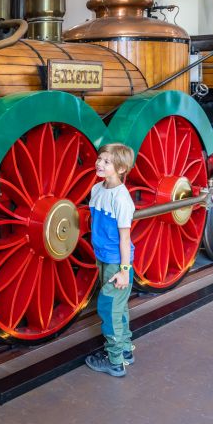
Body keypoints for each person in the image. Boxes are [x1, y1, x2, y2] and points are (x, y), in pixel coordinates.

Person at [85, 142, 136, 378]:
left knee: (109, 309)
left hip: (117, 262)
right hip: (102, 256)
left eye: (107, 162)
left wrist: (125, 270)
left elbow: (125, 239)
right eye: (99, 158)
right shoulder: (97, 190)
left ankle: (114, 361)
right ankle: (125, 350)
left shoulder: (122, 199)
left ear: (121, 169)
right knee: (119, 306)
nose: (100, 164)